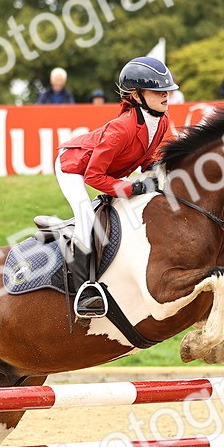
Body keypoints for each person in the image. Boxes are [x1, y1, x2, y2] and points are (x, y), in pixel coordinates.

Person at [53, 56, 178, 318]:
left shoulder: (161, 121)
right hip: (72, 167)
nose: (166, 95)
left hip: (100, 172)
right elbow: (94, 177)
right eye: (158, 91)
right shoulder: (121, 129)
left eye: (167, 90)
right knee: (86, 220)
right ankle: (84, 290)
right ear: (137, 95)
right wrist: (131, 189)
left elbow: (145, 158)